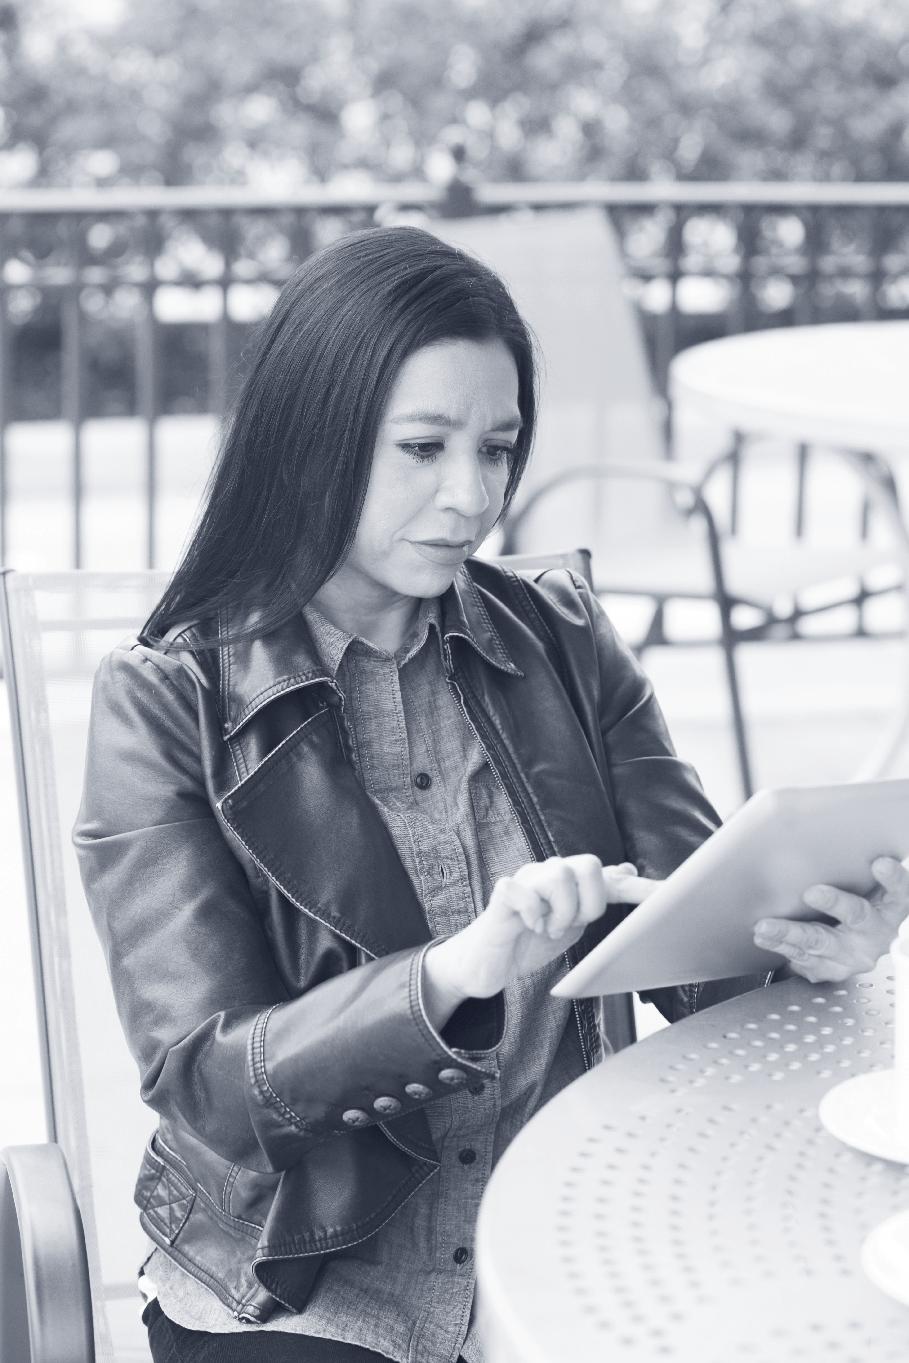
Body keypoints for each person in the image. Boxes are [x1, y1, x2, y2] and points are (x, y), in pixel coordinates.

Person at [74, 225, 909, 1363]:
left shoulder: (561, 636)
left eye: (498, 447)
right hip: (302, 1286)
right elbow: (209, 1082)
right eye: (422, 447)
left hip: (559, 1241)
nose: (470, 497)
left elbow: (692, 928)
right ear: (311, 438)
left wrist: (805, 942)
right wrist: (458, 972)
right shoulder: (163, 699)